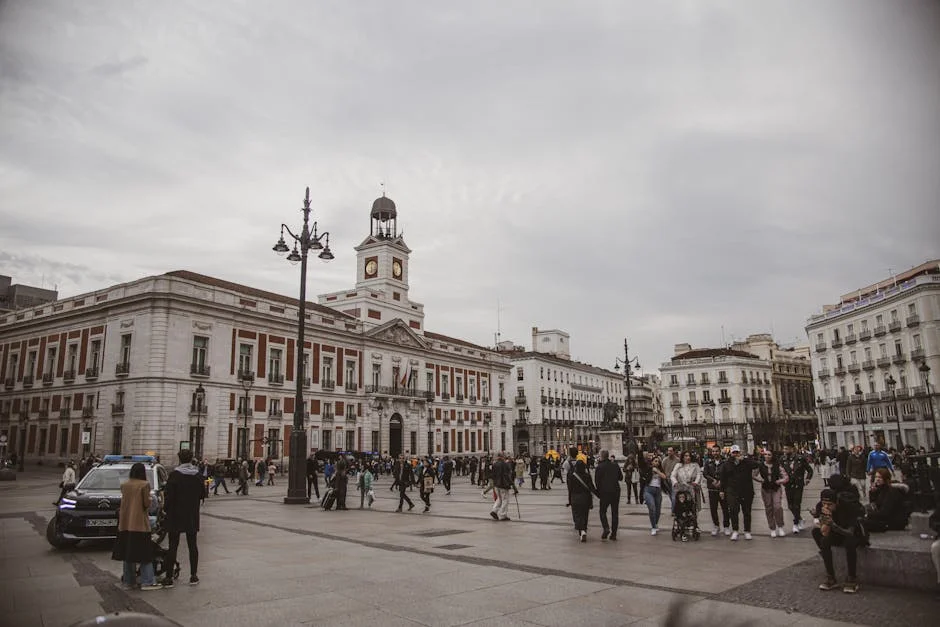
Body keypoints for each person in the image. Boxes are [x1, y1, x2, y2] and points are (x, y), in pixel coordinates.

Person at [111, 462, 161, 591]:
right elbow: (146, 504)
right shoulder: (144, 485)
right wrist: (151, 500)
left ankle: (129, 581)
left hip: (125, 524)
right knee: (144, 554)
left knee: (128, 554)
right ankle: (147, 581)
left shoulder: (125, 485)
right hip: (139, 524)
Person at [812, 475, 865, 593]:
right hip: (836, 533)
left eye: (829, 504)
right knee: (823, 540)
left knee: (850, 543)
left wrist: (834, 525)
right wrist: (826, 519)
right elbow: (824, 533)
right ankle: (831, 577)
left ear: (836, 502)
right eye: (824, 503)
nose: (826, 506)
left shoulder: (848, 506)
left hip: (853, 533)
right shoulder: (822, 507)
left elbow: (850, 532)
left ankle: (852, 578)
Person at [161, 449, 204, 587]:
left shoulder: (174, 475)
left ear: (179, 459)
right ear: (191, 459)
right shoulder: (198, 475)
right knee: (193, 545)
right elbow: (202, 494)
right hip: (191, 513)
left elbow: (168, 496)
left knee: (173, 545)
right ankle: (193, 576)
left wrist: (165, 509)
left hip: (175, 513)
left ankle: (168, 578)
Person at [719, 445, 760, 541]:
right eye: (733, 453)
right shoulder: (726, 464)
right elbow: (723, 478)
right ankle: (735, 530)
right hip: (732, 491)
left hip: (746, 491)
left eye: (737, 452)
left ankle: (747, 531)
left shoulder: (746, 462)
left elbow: (756, 464)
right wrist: (721, 490)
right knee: (733, 510)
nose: (735, 455)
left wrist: (745, 459)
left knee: (747, 511)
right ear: (730, 454)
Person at [567, 447, 599, 542]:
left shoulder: (572, 476)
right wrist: (599, 495)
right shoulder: (587, 476)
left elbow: (570, 489)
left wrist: (569, 500)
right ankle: (584, 529)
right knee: (585, 515)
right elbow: (591, 487)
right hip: (586, 498)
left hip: (575, 498)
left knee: (577, 515)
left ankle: (581, 531)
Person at [863, 468, 910, 532]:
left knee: (863, 523)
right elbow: (874, 505)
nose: (877, 479)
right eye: (876, 477)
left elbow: (884, 512)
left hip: (893, 522)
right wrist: (872, 492)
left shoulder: (891, 491)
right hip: (886, 519)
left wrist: (867, 514)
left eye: (880, 477)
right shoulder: (881, 489)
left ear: (885, 479)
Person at [756, 450, 789, 538]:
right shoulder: (760, 465)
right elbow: (753, 475)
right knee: (769, 508)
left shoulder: (777, 465)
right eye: (765, 454)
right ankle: (772, 528)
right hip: (765, 489)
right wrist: (760, 480)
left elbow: (786, 477)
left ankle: (780, 526)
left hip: (776, 488)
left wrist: (779, 481)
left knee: (777, 506)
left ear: (772, 456)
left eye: (769, 455)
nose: (767, 456)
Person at [781, 444, 814, 534]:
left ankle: (795, 523)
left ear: (792, 449)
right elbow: (780, 470)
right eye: (784, 449)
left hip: (798, 484)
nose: (785, 450)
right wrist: (781, 479)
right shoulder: (783, 459)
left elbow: (809, 470)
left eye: (786, 448)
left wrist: (807, 479)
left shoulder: (800, 458)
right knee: (790, 506)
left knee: (796, 504)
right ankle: (799, 518)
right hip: (788, 484)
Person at [594, 449, 623, 540]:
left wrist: (598, 493)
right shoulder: (615, 465)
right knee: (615, 513)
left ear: (601, 456)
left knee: (602, 511)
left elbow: (597, 482)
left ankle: (606, 527)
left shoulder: (599, 467)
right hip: (615, 491)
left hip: (605, 492)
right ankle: (614, 534)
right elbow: (621, 477)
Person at [703, 445, 730, 536]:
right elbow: (705, 473)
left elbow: (728, 474)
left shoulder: (725, 462)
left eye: (717, 451)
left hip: (723, 489)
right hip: (712, 488)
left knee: (725, 508)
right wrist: (713, 480)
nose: (715, 453)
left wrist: (721, 482)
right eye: (713, 451)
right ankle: (716, 526)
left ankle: (726, 526)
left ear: (720, 452)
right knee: (713, 508)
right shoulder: (708, 462)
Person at [638, 453, 667, 535]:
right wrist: (639, 450)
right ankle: (653, 527)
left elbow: (664, 477)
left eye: (658, 461)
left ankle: (655, 523)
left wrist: (657, 471)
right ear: (652, 462)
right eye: (655, 461)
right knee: (652, 508)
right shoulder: (648, 468)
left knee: (658, 510)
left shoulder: (660, 470)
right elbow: (641, 463)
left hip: (658, 491)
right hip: (648, 490)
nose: (657, 463)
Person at [670, 450, 702, 515]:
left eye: (689, 456)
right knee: (681, 504)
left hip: (692, 487)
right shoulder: (678, 465)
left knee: (692, 505)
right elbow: (672, 475)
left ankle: (693, 516)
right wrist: (675, 482)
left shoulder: (695, 465)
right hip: (681, 488)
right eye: (686, 456)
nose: (688, 457)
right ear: (682, 457)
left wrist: (696, 482)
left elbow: (699, 474)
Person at [490, 452, 514, 521]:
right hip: (503, 484)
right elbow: (507, 475)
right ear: (502, 457)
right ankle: (503, 515)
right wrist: (511, 483)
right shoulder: (505, 464)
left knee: (499, 499)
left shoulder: (494, 464)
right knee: (505, 499)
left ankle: (494, 511)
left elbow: (493, 475)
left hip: (496, 484)